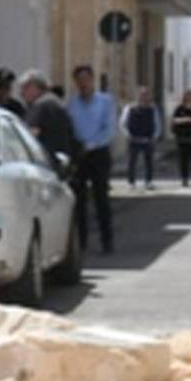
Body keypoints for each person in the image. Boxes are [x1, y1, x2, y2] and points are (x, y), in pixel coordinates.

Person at [17, 70, 84, 258]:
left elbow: (31, 136)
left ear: (34, 87)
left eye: (24, 89)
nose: (21, 94)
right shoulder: (56, 103)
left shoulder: (41, 106)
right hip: (61, 166)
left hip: (45, 169)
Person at [65, 65, 119, 252]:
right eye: (79, 80)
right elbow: (70, 127)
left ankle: (107, 240)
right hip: (79, 155)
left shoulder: (105, 101)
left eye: (86, 79)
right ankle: (81, 242)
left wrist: (92, 144)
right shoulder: (72, 103)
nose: (83, 84)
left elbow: (110, 129)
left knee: (101, 198)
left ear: (92, 79)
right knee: (78, 200)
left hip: (99, 153)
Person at [124, 87, 163, 189]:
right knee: (132, 162)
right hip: (134, 139)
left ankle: (148, 181)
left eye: (146, 95)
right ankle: (131, 182)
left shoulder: (152, 109)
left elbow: (157, 123)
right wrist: (127, 135)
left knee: (149, 162)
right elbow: (123, 123)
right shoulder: (129, 108)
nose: (143, 97)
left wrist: (155, 136)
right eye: (141, 95)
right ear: (137, 96)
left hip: (148, 139)